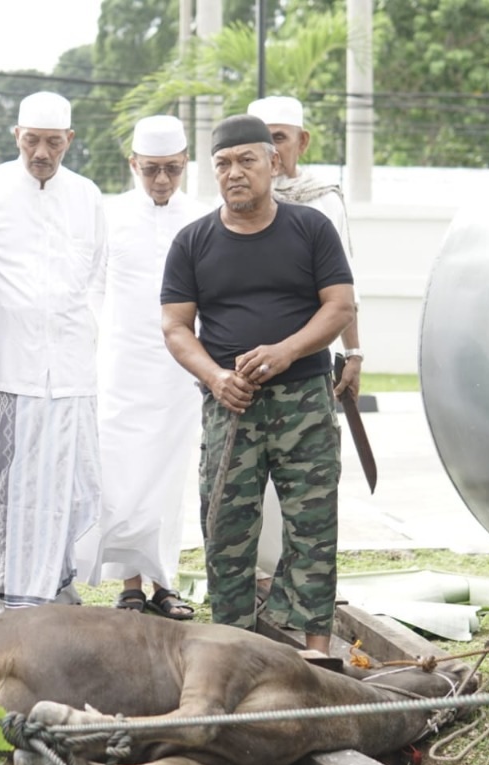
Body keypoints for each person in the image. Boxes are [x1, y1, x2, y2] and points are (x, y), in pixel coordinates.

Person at [160, 115, 355, 654]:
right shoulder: (193, 242)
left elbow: (339, 307)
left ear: (274, 163)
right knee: (226, 528)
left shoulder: (310, 229)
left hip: (305, 405)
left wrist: (286, 350)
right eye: (223, 163)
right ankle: (232, 649)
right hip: (232, 407)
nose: (234, 172)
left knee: (313, 524)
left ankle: (317, 653)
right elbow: (176, 326)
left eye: (247, 160)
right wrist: (216, 377)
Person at [0, 92, 106, 613]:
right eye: (31, 140)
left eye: (52, 142)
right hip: (8, 371)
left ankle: (58, 584)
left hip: (71, 371)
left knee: (69, 484)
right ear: (15, 136)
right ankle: (7, 596)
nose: (41, 152)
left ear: (69, 140)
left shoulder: (87, 195)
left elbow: (95, 276)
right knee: (11, 489)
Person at [75, 115, 208, 620]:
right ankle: (130, 585)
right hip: (121, 363)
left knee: (168, 478)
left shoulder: (201, 217)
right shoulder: (109, 215)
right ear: (132, 164)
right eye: (151, 170)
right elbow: (94, 285)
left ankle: (164, 583)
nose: (161, 182)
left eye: (172, 170)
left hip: (179, 369)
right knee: (122, 472)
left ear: (185, 165)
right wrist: (114, 334)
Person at [246, 96, 364, 397]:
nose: (271, 150)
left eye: (280, 138)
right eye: (262, 140)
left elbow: (344, 285)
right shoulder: (236, 199)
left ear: (302, 142)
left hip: (308, 364)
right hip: (244, 364)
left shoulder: (324, 201)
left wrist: (353, 352)